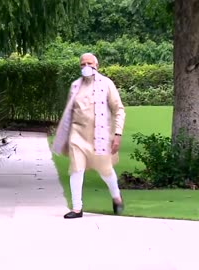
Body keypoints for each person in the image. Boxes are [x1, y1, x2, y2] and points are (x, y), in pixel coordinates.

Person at [52, 53, 125, 219]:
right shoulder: (75, 86)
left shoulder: (107, 84)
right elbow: (69, 111)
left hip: (100, 135)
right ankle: (77, 208)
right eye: (83, 64)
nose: (86, 66)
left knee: (106, 171)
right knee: (76, 169)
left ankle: (116, 197)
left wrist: (118, 133)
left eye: (89, 63)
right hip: (77, 135)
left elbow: (118, 109)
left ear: (96, 65)